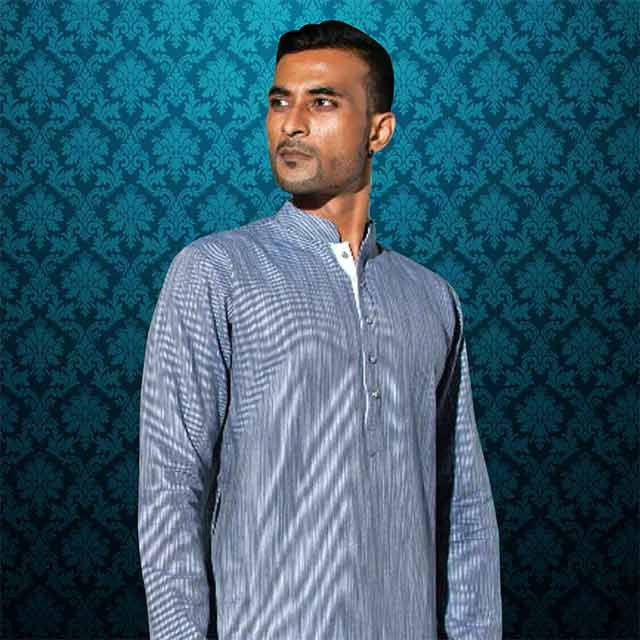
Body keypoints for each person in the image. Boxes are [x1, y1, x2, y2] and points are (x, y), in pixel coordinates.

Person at [138, 19, 502, 640]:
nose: (292, 123)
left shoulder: (431, 298)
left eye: (323, 102)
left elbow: (463, 506)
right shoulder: (216, 271)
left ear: (379, 131)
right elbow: (171, 489)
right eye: (280, 101)